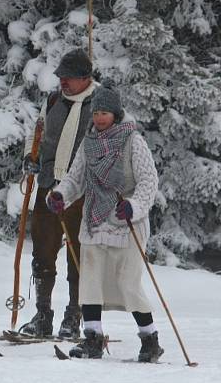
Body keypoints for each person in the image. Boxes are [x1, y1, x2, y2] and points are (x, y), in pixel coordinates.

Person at [47, 87, 163, 362]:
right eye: (96, 113)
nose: (99, 118)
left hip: (126, 223)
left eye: (105, 113)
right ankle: (92, 340)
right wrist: (61, 194)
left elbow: (149, 181)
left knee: (128, 283)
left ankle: (150, 341)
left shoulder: (133, 142)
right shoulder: (88, 143)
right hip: (94, 221)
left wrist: (134, 207)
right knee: (90, 282)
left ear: (116, 114)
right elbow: (76, 178)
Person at [20, 48, 98, 338]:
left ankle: (73, 317)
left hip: (81, 192)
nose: (63, 82)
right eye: (61, 77)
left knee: (78, 256)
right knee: (42, 251)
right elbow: (37, 132)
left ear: (85, 78)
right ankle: (43, 315)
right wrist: (31, 155)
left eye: (69, 78)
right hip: (48, 186)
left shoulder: (99, 104)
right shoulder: (53, 100)